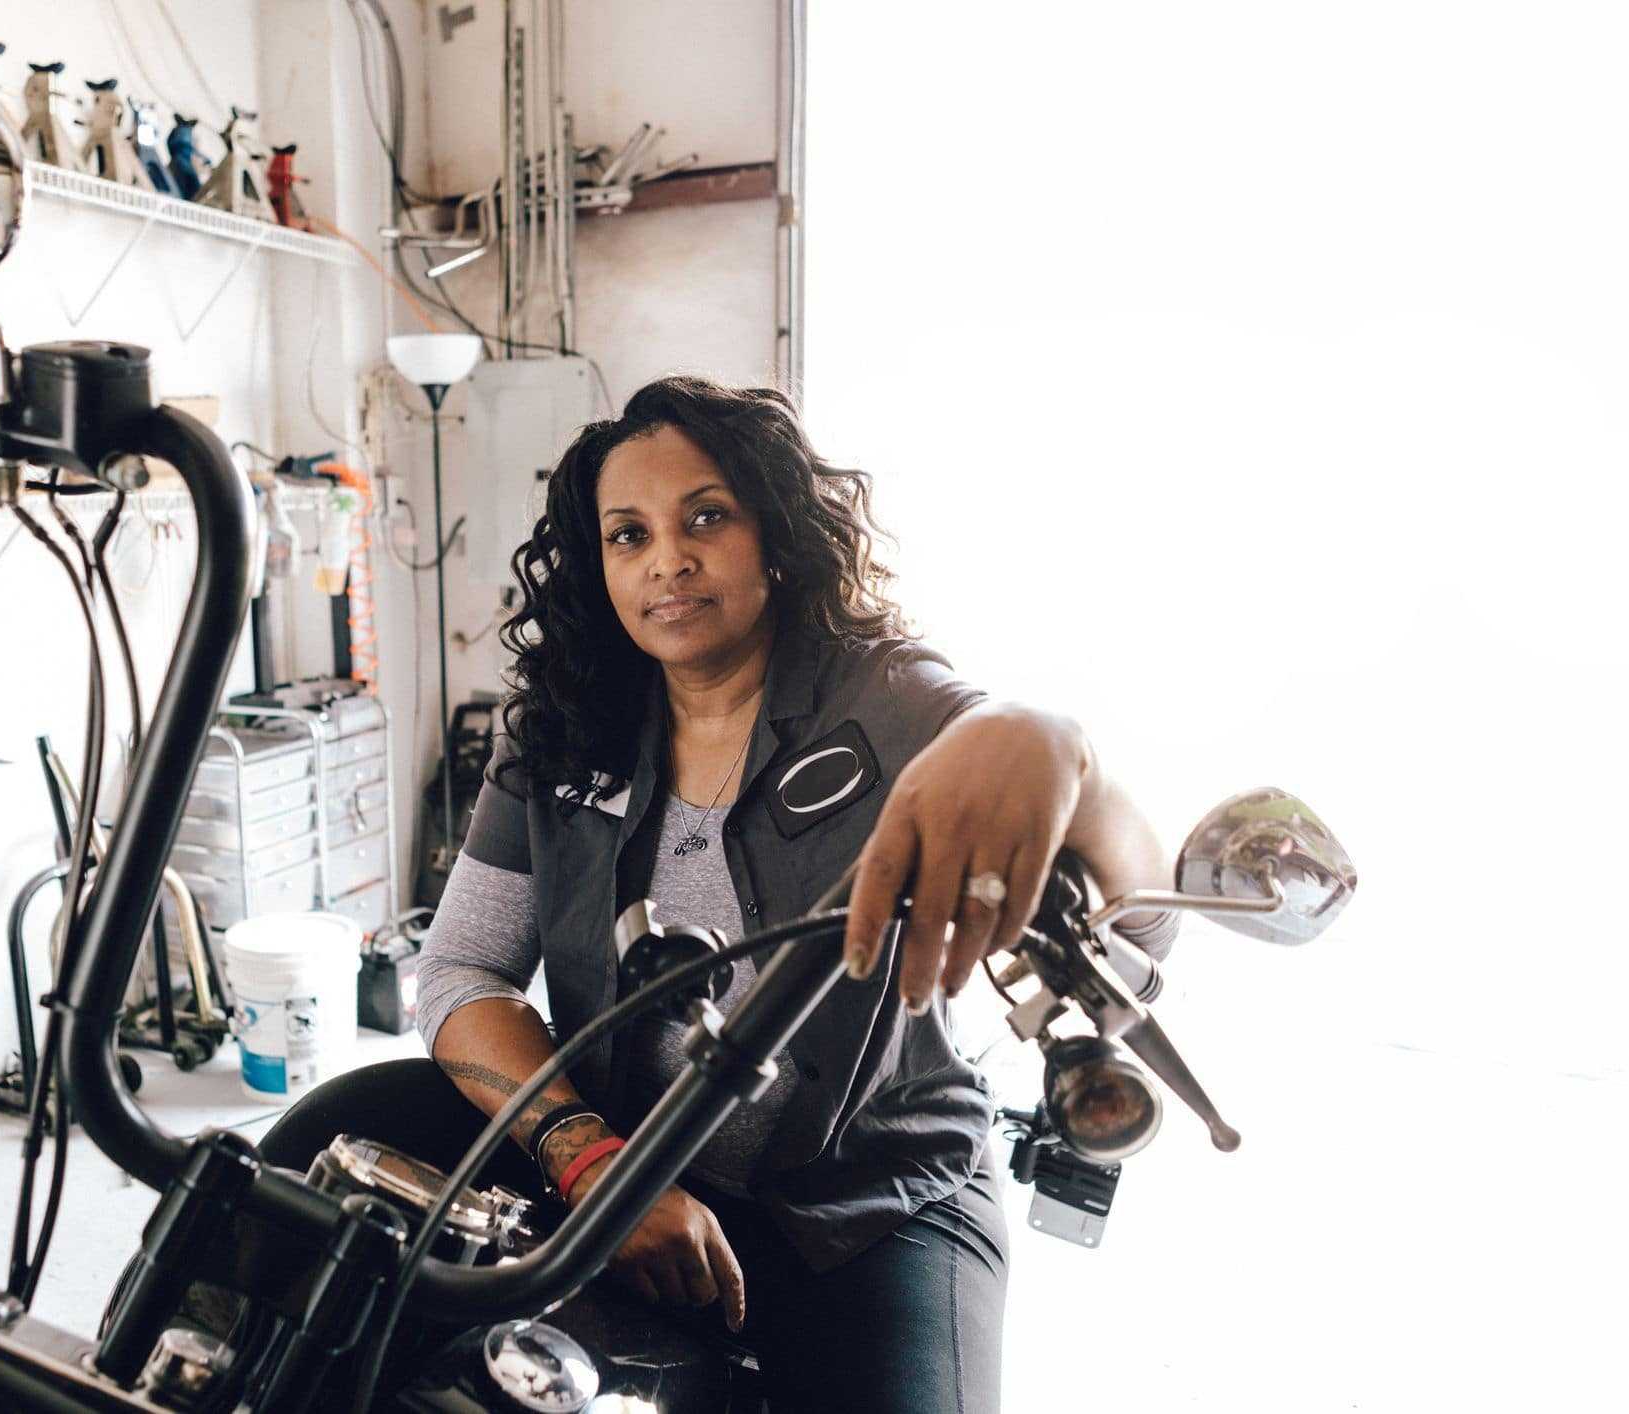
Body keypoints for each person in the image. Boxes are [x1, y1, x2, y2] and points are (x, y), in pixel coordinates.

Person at [256, 374, 1178, 1412]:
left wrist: (1066, 751)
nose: (669, 560)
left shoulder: (896, 704)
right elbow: (461, 966)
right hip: (608, 1146)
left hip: (866, 1202)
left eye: (706, 517)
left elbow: (1137, 929)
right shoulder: (565, 721)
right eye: (628, 535)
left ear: (775, 535)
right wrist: (588, 1153)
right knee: (300, 1170)